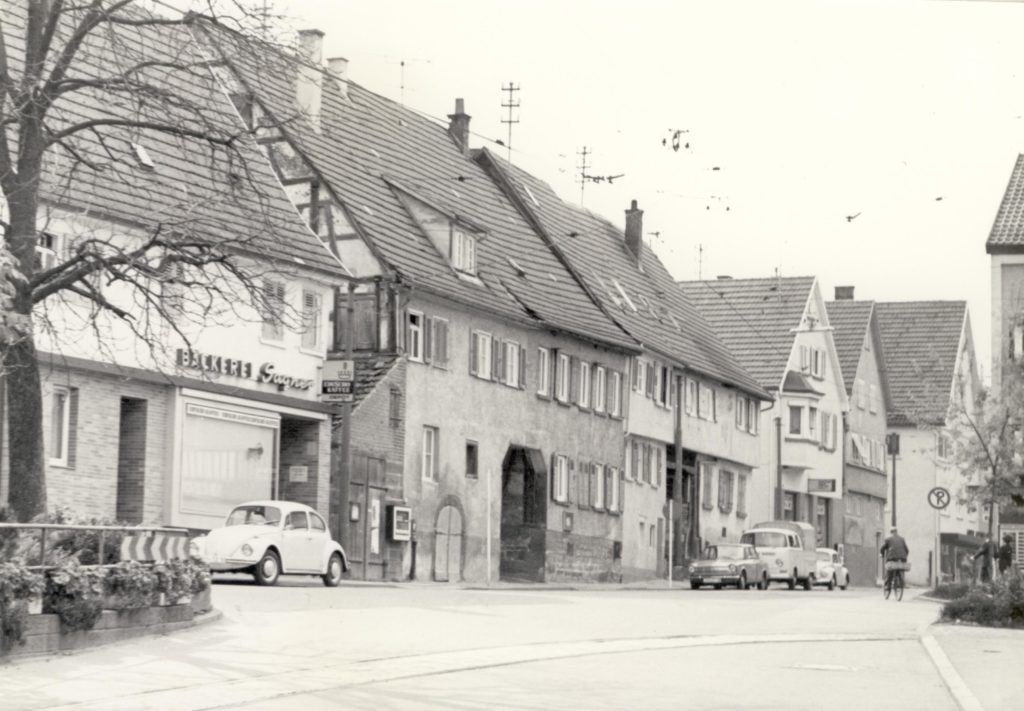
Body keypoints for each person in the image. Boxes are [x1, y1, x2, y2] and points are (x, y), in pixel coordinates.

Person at [880, 526, 909, 591]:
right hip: (902, 558)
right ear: (896, 532)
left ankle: (888, 585)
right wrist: (904, 557)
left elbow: (883, 548)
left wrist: (881, 554)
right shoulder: (902, 539)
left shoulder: (888, 539)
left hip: (892, 558)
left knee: (889, 571)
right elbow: (907, 550)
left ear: (891, 532)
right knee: (900, 568)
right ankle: (901, 581)